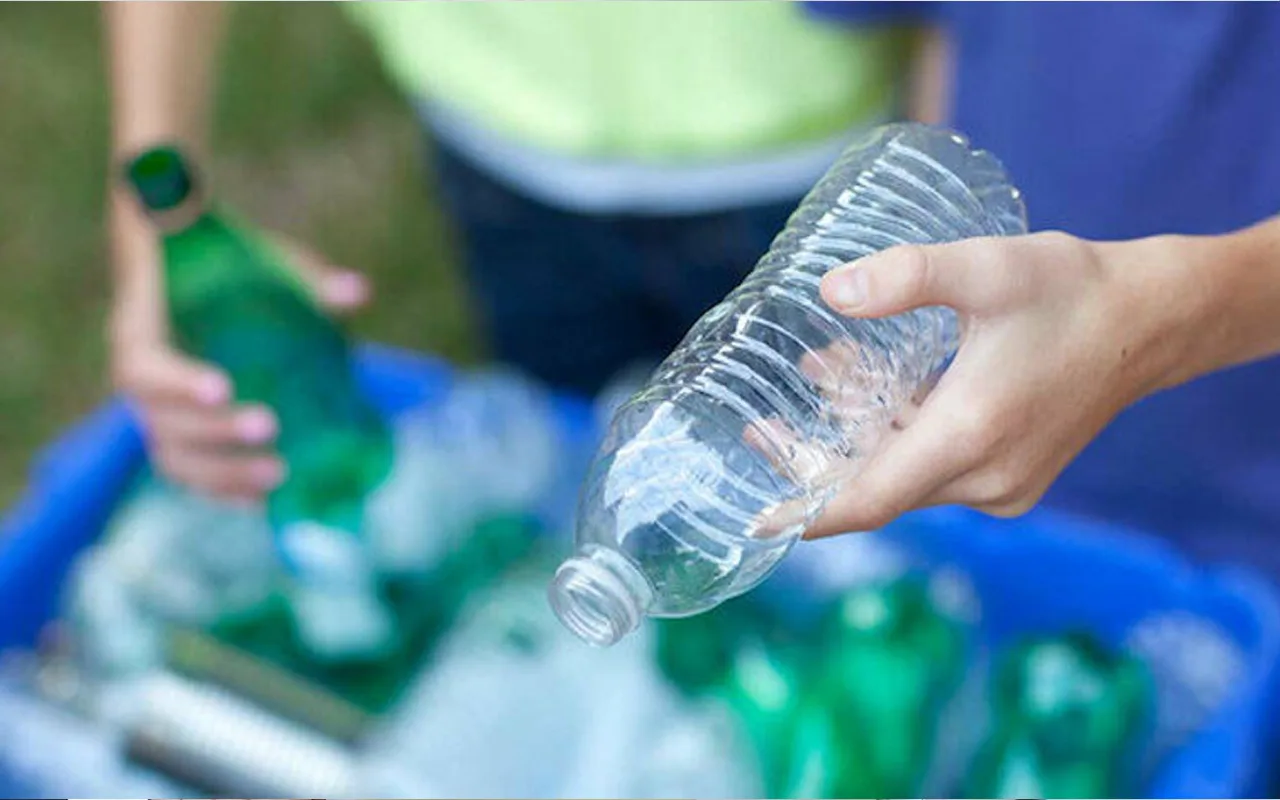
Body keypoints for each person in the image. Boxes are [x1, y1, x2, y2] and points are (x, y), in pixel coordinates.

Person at [106, 3, 910, 501]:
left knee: (833, 497)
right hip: (492, 138)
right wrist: (158, 220)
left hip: (806, 158)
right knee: (583, 465)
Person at [802, 4, 1280, 582]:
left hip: (1246, 489)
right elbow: (947, 28)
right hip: (989, 432)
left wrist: (1159, 320)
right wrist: (924, 307)